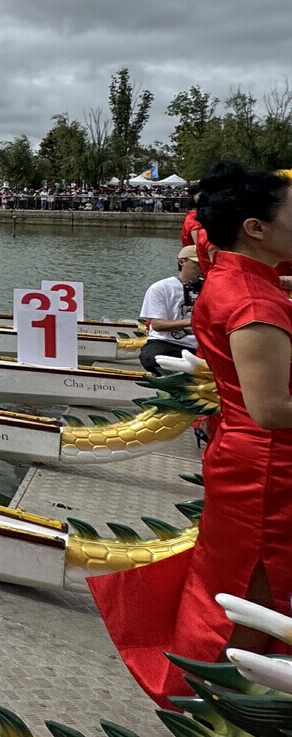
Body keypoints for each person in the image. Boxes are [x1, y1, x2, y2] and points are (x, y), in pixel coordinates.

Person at [91, 162, 292, 707]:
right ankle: (223, 698)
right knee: (260, 584)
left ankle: (211, 680)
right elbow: (273, 408)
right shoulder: (253, 302)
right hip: (269, 464)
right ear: (256, 227)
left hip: (242, 450)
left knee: (228, 577)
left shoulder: (231, 277)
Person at [137, 245, 205, 373]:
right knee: (151, 358)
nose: (202, 268)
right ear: (181, 262)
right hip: (166, 342)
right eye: (197, 264)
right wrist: (193, 321)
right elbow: (157, 324)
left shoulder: (210, 288)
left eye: (204, 263)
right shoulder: (160, 288)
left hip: (198, 345)